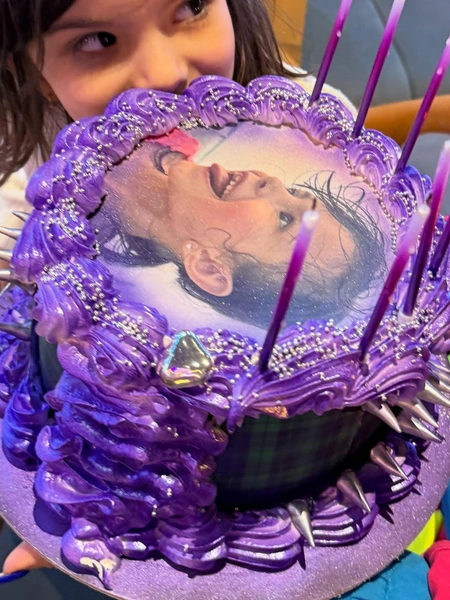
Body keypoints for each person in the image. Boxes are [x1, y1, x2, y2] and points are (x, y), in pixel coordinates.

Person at [0, 0, 441, 596]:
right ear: (27, 65)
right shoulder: (24, 211)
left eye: (191, 5)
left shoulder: (306, 119)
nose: (164, 71)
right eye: (98, 39)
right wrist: (97, 501)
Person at [96, 129, 387, 337]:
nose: (272, 183)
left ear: (209, 268)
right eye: (293, 192)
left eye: (284, 219)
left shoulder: (78, 241)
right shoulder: (176, 125)